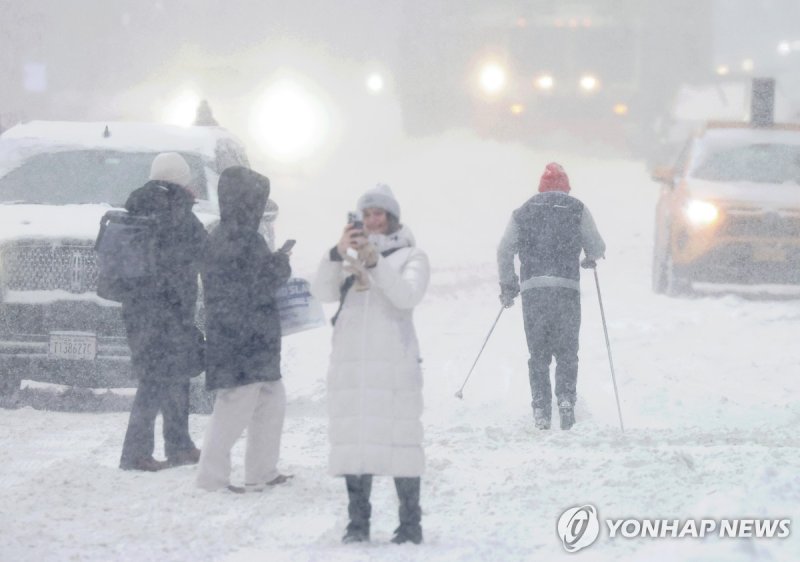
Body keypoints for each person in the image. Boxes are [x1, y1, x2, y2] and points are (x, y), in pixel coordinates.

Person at [311, 183, 430, 545]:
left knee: (402, 441)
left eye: (378, 213)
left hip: (393, 361)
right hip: (353, 363)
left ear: (391, 217)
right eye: (366, 214)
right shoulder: (350, 258)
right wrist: (336, 253)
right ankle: (357, 522)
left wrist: (376, 263)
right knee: (355, 440)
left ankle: (410, 524)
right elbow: (323, 292)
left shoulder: (412, 256)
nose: (372, 220)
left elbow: (406, 296)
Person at [195, 166, 292, 493]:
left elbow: (246, 283)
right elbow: (256, 285)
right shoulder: (242, 239)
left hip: (247, 338)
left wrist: (272, 265)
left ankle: (262, 471)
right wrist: (279, 265)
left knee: (270, 400)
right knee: (233, 409)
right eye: (257, 200)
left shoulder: (224, 235)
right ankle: (211, 478)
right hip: (243, 340)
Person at [497, 163, 606, 431]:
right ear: (566, 188)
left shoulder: (523, 211)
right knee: (567, 351)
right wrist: (590, 258)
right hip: (566, 289)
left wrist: (509, 284)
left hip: (534, 291)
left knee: (538, 353)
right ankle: (566, 400)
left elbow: (504, 249)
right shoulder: (577, 208)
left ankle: (541, 408)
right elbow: (597, 245)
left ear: (541, 188)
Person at [119, 152, 206, 471]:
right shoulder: (177, 210)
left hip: (138, 309)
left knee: (165, 375)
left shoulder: (135, 208)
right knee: (161, 379)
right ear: (180, 179)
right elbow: (206, 252)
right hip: (171, 309)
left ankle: (178, 445)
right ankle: (137, 453)